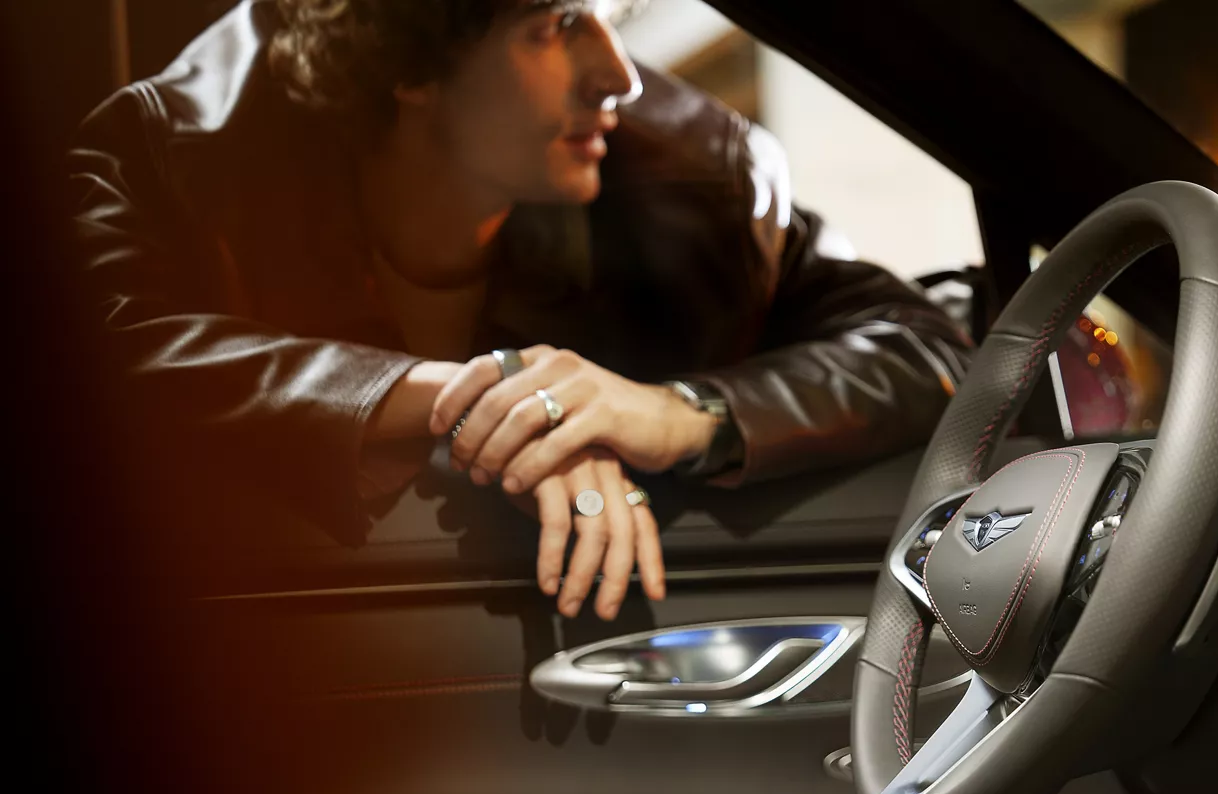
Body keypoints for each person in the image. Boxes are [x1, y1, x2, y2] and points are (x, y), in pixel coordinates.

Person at [68, 0, 970, 620]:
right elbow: (82, 358)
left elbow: (925, 342)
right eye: (556, 24)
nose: (618, 76)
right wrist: (485, 399)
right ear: (409, 53)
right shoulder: (183, 159)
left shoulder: (698, 176)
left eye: (612, 16)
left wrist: (674, 413)